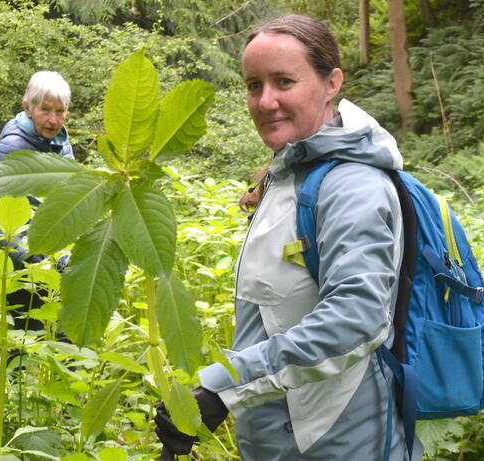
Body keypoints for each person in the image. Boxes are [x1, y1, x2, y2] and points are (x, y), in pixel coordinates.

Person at [155, 15, 422, 461]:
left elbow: (356, 318)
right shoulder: (290, 173)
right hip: (283, 440)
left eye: (284, 81)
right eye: (253, 85)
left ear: (331, 82)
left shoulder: (353, 186)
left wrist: (226, 388)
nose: (265, 101)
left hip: (339, 441)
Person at [0, 70, 73, 333]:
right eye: (45, 110)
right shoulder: (14, 147)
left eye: (60, 111)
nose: (53, 119)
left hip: (57, 259)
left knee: (67, 337)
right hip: (22, 267)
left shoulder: (61, 143)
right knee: (26, 342)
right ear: (28, 108)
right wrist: (32, 259)